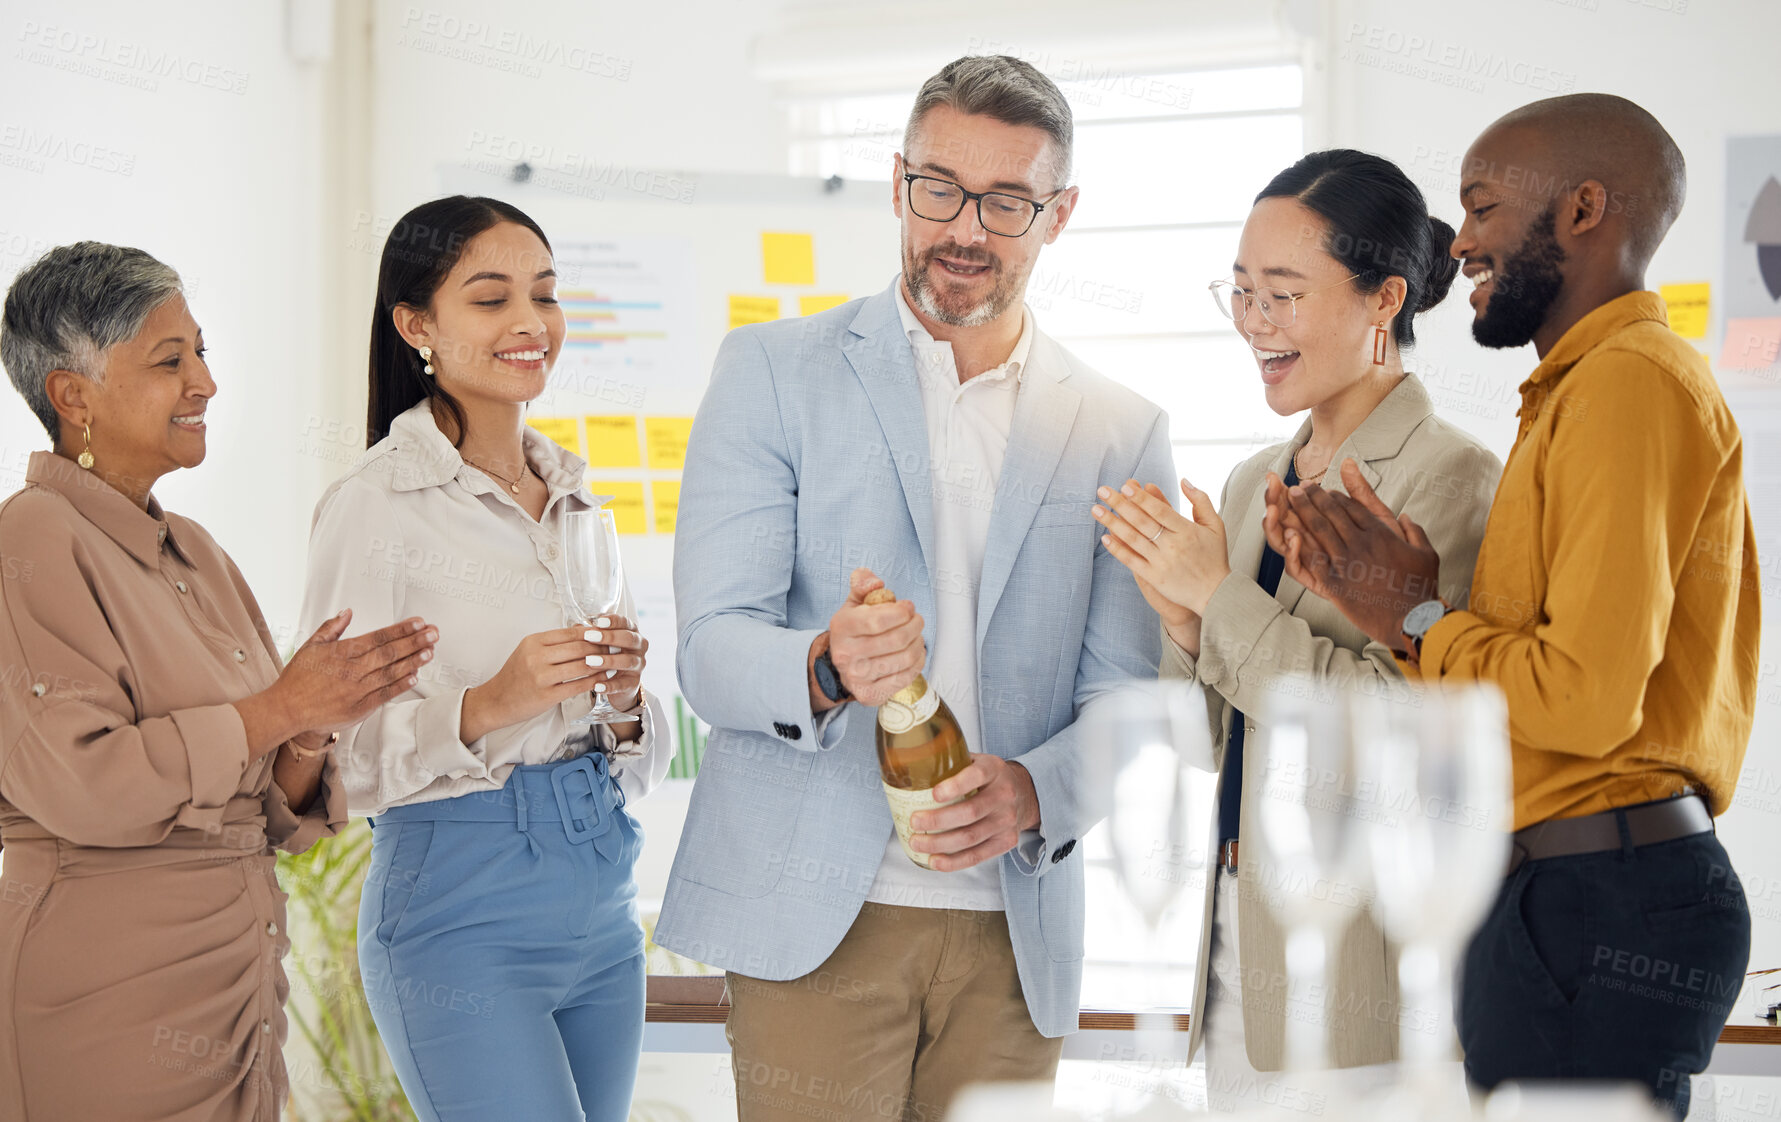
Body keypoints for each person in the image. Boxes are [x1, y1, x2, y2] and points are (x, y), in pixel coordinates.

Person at [657, 54, 1175, 1121]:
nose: (963, 230)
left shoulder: (1120, 428)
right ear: (897, 182)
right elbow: (710, 648)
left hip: (1014, 932)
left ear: (1058, 213)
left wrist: (1036, 790)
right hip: (814, 920)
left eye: (1005, 202)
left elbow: (1131, 695)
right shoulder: (770, 371)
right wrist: (823, 661)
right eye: (937, 189)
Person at [1265, 95, 1757, 1119]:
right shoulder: (1575, 394)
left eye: (1481, 207)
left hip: (1598, 900)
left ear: (1583, 210)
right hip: (1565, 895)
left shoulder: (1625, 382)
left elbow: (1579, 702)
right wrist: (1404, 610)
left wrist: (1413, 618)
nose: (1462, 241)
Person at [1092, 149, 1502, 1113]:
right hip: (1239, 949)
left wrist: (1219, 601)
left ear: (1381, 300)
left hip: (1368, 970)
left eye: (1282, 292)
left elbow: (1407, 732)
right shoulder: (1249, 486)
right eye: (1239, 291)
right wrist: (1183, 625)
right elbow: (1210, 746)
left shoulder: (1453, 479)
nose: (1253, 322)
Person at [0, 241, 436, 1121]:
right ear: (72, 395)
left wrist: (312, 727)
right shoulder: (32, 542)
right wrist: (282, 706)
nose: (203, 382)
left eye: (202, 353)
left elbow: (273, 813)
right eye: (171, 360)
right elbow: (86, 785)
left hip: (236, 990)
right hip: (108, 994)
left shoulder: (197, 551)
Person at [299, 196, 672, 1122]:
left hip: (602, 899)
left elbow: (634, 761)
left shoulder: (580, 501)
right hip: (460, 907)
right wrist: (484, 704)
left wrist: (623, 702)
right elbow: (325, 758)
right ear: (416, 323)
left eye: (544, 295)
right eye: (490, 297)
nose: (529, 323)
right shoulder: (377, 506)